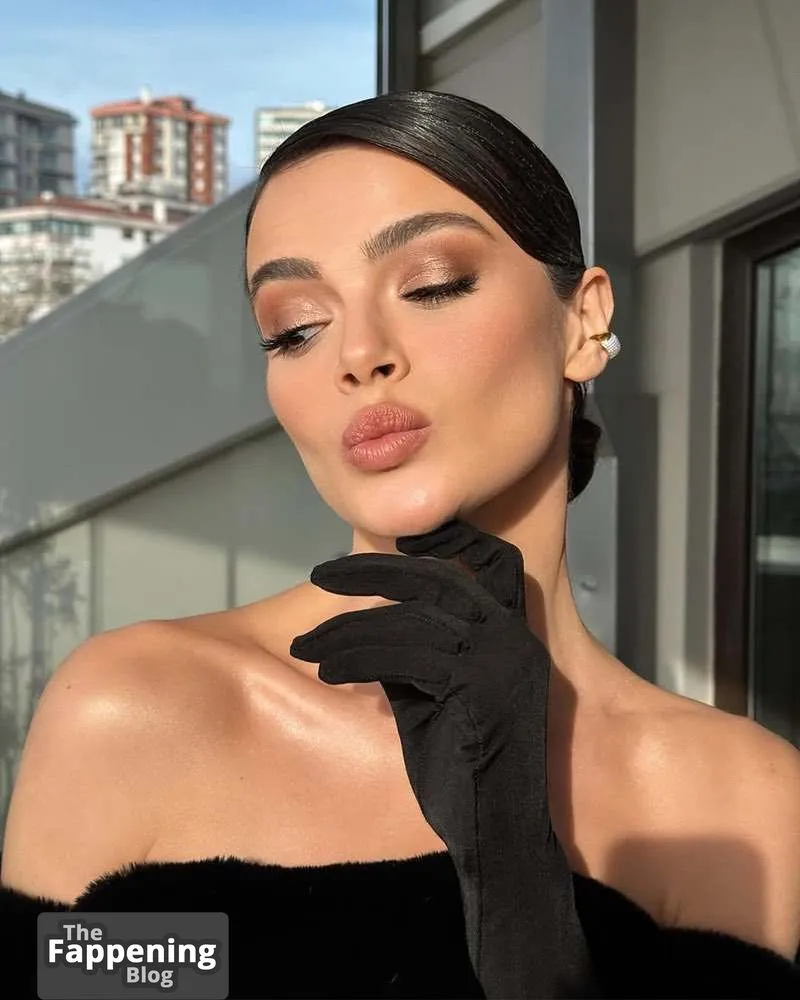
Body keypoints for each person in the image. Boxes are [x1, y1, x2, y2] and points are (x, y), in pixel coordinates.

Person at [1, 89, 799, 998]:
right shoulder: (139, 708)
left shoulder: (739, 800)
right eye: (296, 329)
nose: (359, 354)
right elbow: (83, 980)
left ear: (583, 321)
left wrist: (513, 866)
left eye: (433, 285)